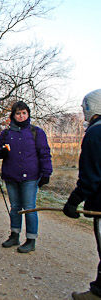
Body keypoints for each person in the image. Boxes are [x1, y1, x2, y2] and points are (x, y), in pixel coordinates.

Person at [0, 101, 52, 253]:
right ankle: (14, 235)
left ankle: (31, 240)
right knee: (15, 208)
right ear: (13, 115)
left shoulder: (36, 132)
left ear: (28, 114)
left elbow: (44, 153)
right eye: (18, 113)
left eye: (24, 113)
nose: (21, 116)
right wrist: (2, 152)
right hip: (11, 175)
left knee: (30, 208)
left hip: (30, 177)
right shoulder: (6, 133)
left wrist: (46, 173)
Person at [63, 89, 101, 300]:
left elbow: (91, 176)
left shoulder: (96, 133)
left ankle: (98, 293)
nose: (83, 110)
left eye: (84, 106)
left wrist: (73, 201)